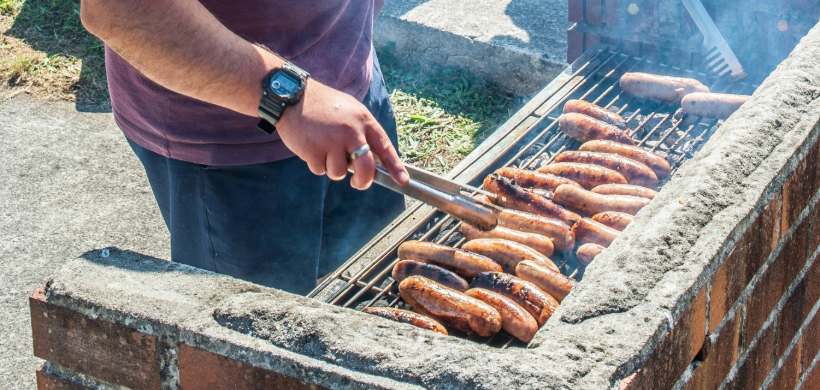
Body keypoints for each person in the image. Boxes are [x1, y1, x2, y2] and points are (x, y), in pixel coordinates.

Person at [79, 0, 409, 295]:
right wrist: (289, 98)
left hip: (353, 88)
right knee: (265, 338)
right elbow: (117, 9)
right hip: (231, 141)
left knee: (373, 286)